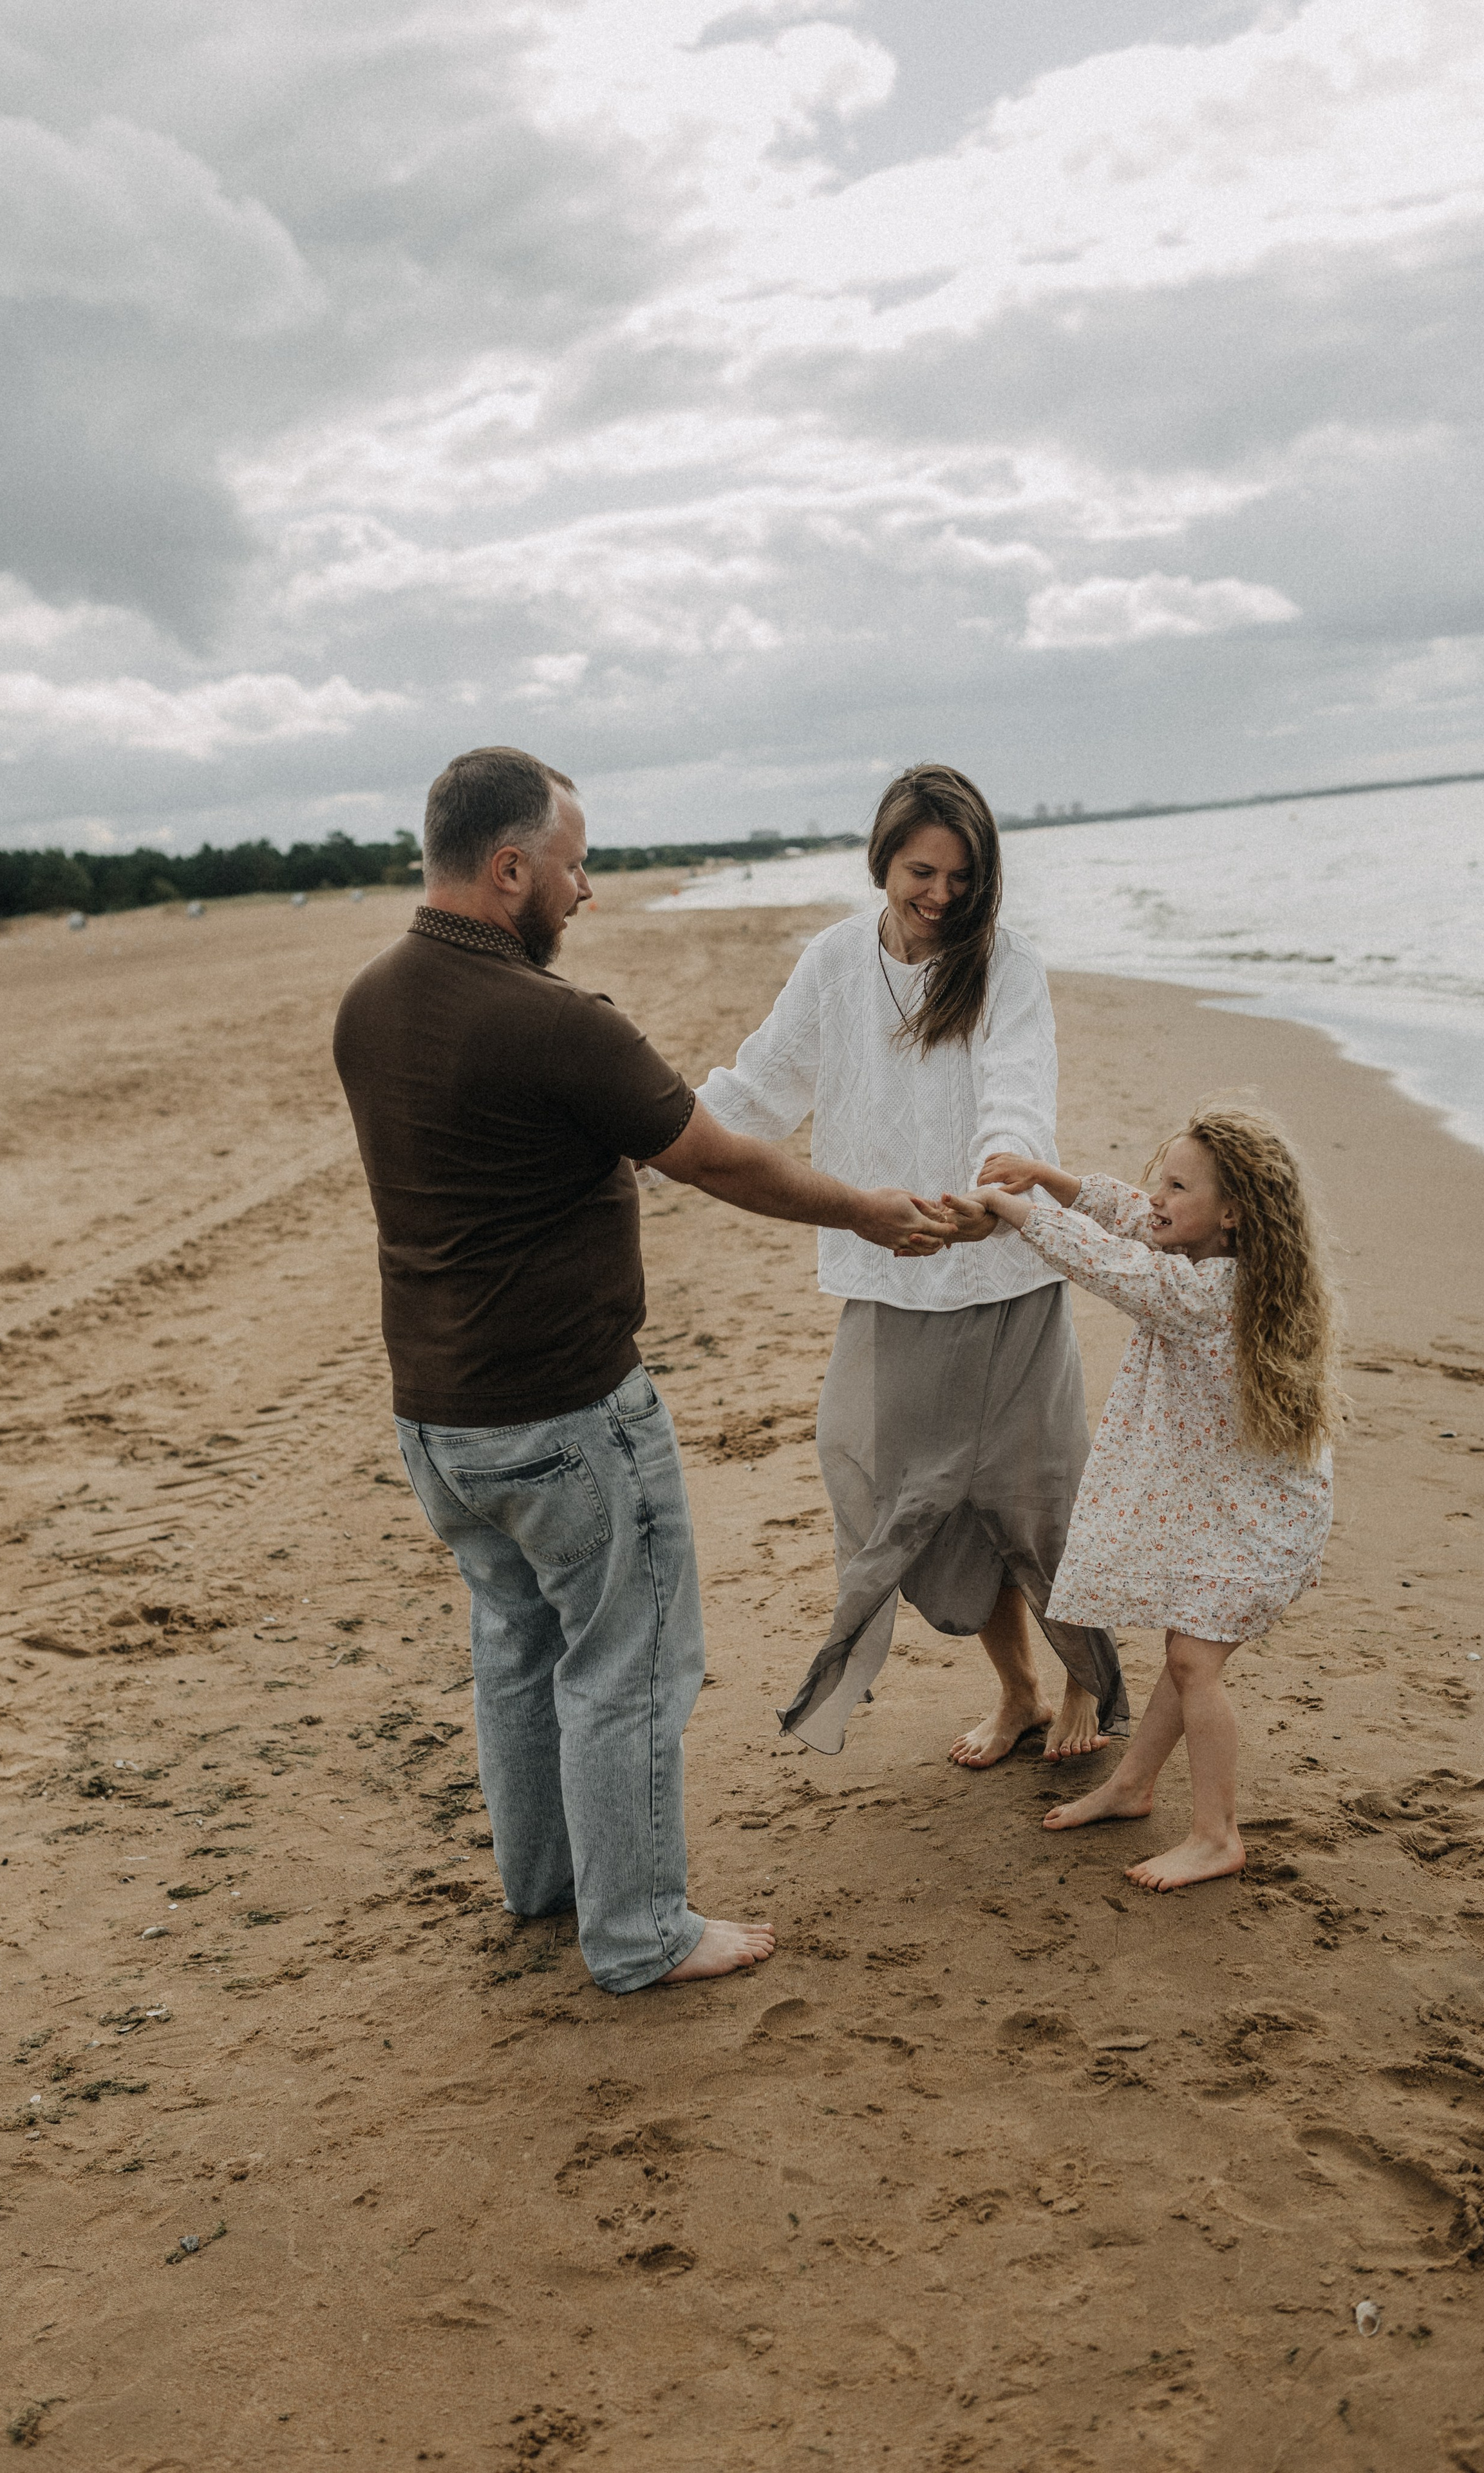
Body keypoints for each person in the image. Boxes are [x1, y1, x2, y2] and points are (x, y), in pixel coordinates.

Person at [332, 746, 948, 1995]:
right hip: (563, 1416)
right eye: (573, 866)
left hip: (437, 1424)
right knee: (629, 1662)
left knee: (517, 1644)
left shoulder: (369, 1003)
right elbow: (713, 1158)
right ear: (510, 869)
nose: (586, 889)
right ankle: (637, 1932)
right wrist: (868, 1211)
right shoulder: (555, 1024)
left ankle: (548, 1886)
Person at [695, 763, 1128, 1761]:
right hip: (889, 1273)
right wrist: (654, 1135)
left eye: (962, 878)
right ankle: (1017, 1691)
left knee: (1037, 1502)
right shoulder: (835, 961)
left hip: (1002, 1275)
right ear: (882, 859)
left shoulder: (1006, 965)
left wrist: (992, 1193)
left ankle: (1082, 1683)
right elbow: (760, 1086)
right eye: (921, 872)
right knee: (918, 1502)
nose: (940, 896)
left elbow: (1017, 1097)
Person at [944, 1105, 1338, 1890]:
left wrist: (1019, 1211)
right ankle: (1130, 1786)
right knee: (1186, 1653)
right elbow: (1129, 1217)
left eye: (1178, 1187)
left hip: (1260, 1521)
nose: (1156, 1196)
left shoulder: (1205, 1292)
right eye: (1161, 1178)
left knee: (1194, 1662)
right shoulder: (1211, 1255)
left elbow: (1110, 1263)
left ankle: (1216, 1835)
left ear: (1232, 1214)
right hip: (1236, 1506)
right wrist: (1051, 1179)